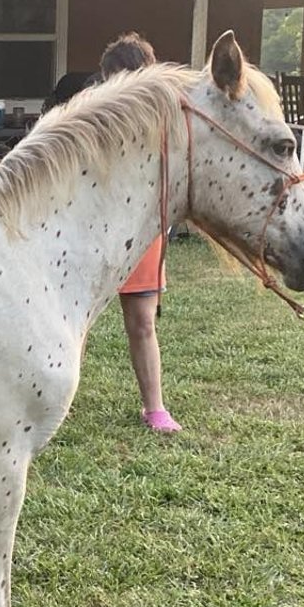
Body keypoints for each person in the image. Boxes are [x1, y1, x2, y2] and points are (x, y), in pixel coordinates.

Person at [98, 32, 183, 433]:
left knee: (143, 322)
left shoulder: (166, 125)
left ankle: (155, 408)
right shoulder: (98, 119)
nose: (111, 88)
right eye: (107, 79)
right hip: (96, 233)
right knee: (74, 320)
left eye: (118, 78)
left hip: (142, 235)